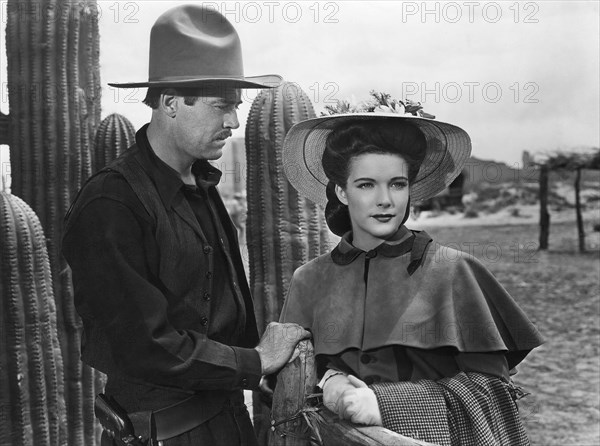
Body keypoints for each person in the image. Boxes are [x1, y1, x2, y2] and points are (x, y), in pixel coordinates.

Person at [62, 5, 309, 446]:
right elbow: (143, 345)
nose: (233, 121)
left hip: (229, 424)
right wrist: (256, 361)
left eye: (236, 107)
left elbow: (221, 311)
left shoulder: (202, 185)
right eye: (222, 106)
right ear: (172, 104)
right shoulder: (111, 203)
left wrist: (259, 372)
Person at [279, 112, 544, 445]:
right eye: (366, 184)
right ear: (342, 192)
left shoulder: (452, 270)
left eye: (397, 184)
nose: (386, 200)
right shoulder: (309, 279)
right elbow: (286, 387)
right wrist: (329, 381)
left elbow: (494, 395)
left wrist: (386, 404)